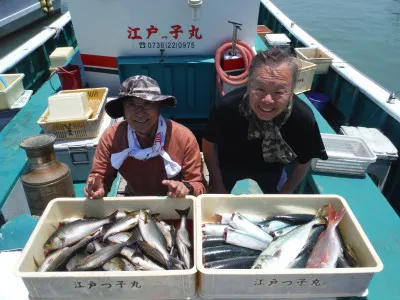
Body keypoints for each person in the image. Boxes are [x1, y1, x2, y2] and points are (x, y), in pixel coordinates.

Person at [202, 48, 328, 194]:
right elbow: (209, 143)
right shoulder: (226, 107)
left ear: (292, 89)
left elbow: (305, 159)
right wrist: (217, 183)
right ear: (249, 84)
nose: (267, 100)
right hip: (227, 167)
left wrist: (286, 192)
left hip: (272, 171)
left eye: (279, 92)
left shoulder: (303, 118)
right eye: (260, 89)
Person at [84, 75, 205, 199]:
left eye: (147, 103)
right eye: (131, 104)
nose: (140, 112)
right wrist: (98, 187)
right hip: (136, 202)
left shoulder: (184, 138)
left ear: (159, 107)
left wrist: (185, 188)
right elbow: (100, 176)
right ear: (123, 110)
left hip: (175, 202)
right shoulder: (111, 137)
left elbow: (198, 185)